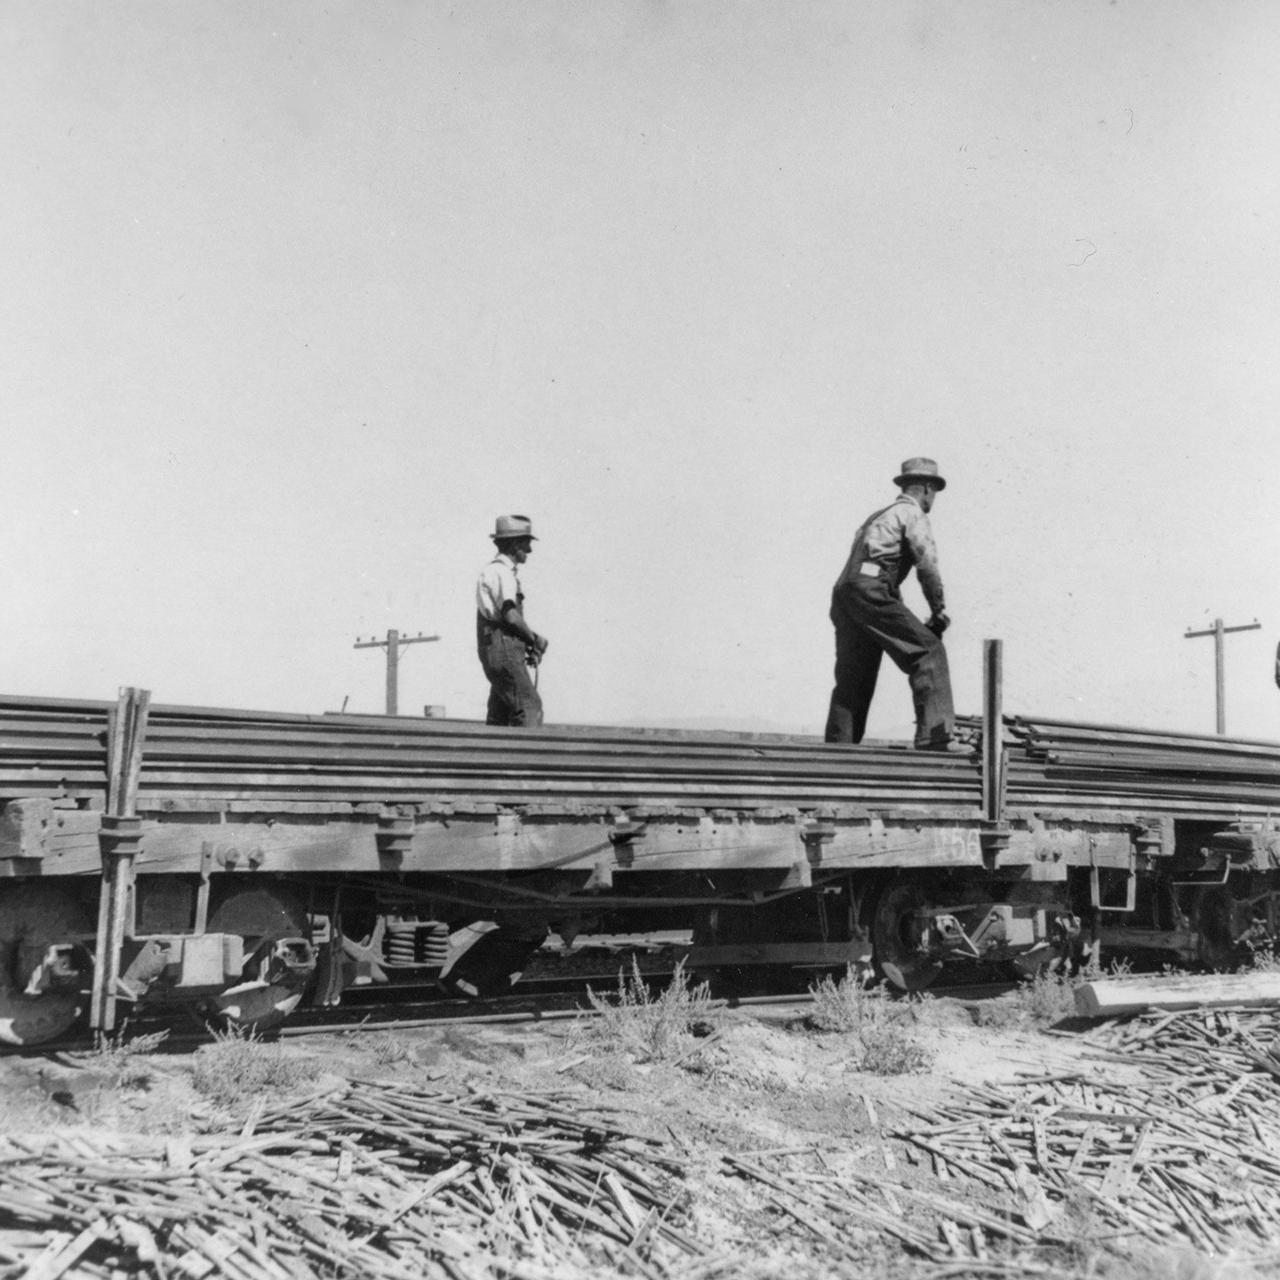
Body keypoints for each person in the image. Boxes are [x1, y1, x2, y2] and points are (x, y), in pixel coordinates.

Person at [823, 457, 960, 750]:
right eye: (933, 493)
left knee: (854, 676)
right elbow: (927, 566)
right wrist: (938, 611)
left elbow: (874, 569)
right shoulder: (912, 514)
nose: (932, 499)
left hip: (846, 593)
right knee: (928, 652)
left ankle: (838, 750)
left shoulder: (877, 516)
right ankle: (936, 738)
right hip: (870, 591)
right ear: (926, 488)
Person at [476, 514, 549, 726]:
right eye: (526, 543)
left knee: (500, 715)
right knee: (529, 706)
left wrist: (525, 642)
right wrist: (534, 640)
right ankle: (527, 759)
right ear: (515, 543)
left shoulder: (494, 572)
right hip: (504, 650)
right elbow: (510, 615)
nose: (529, 550)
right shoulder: (501, 572)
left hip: (498, 650)